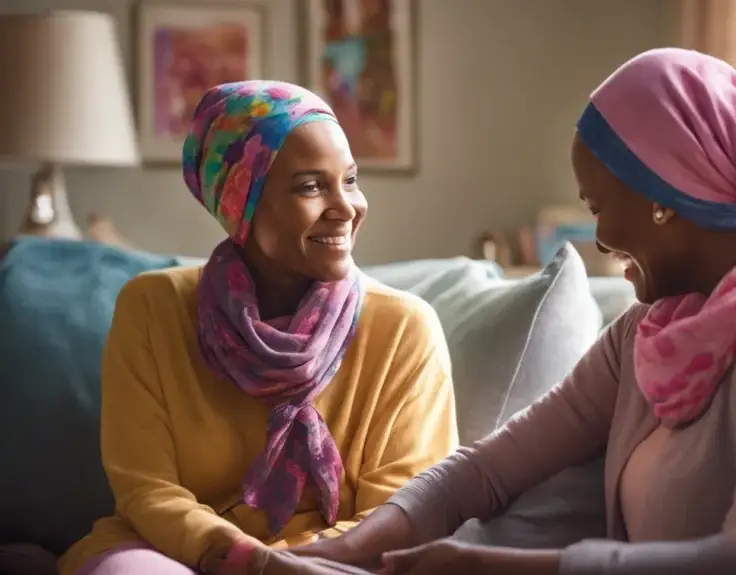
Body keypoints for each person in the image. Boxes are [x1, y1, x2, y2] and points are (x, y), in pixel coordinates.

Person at [293, 48, 736, 575]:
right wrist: (344, 550)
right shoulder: (657, 328)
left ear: (662, 199)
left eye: (598, 204)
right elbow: (488, 469)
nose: (600, 239)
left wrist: (489, 567)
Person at [57, 81, 458, 575]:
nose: (347, 207)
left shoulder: (404, 329)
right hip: (168, 553)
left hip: (336, 564)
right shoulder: (152, 307)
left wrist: (280, 565)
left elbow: (400, 513)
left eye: (350, 180)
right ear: (239, 204)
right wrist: (237, 558)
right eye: (311, 186)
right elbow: (146, 488)